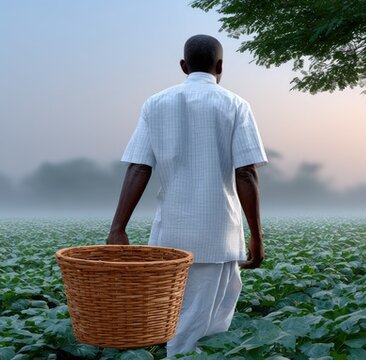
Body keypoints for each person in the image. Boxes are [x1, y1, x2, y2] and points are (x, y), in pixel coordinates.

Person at [105, 34, 268, 358]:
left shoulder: (155, 103)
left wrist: (118, 228)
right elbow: (246, 173)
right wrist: (257, 236)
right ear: (220, 66)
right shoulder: (235, 105)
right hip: (218, 235)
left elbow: (139, 168)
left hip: (169, 236)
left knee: (173, 317)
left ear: (183, 65)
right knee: (206, 326)